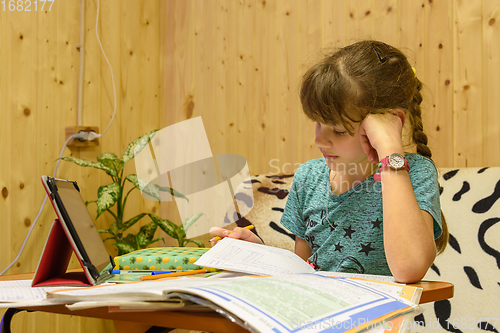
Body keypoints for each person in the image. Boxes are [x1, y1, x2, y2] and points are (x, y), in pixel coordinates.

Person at [210, 40, 449, 283]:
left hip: (384, 319)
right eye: (318, 124)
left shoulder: (416, 173)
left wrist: (389, 148)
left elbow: (409, 268)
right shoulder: (309, 177)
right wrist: (258, 255)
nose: (320, 140)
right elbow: (303, 273)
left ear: (389, 122)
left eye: (339, 130)